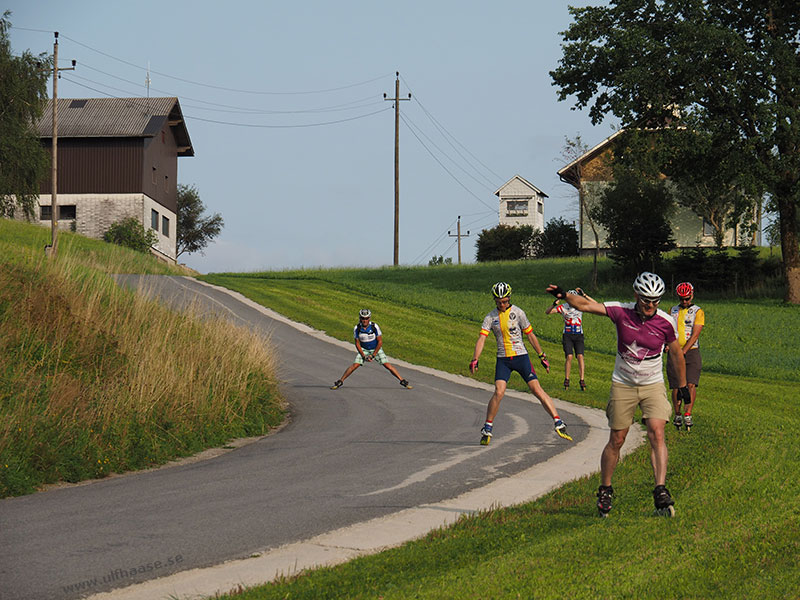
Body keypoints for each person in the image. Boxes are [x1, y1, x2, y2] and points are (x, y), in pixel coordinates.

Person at [546, 272, 690, 517]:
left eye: (655, 301)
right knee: (618, 439)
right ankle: (605, 488)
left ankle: (660, 489)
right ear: (636, 295)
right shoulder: (620, 311)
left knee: (657, 430)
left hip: (652, 383)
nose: (650, 306)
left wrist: (682, 385)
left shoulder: (666, 322)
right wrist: (564, 296)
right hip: (623, 383)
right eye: (646, 300)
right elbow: (587, 305)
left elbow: (676, 353)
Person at [470, 282, 572, 445]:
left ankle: (558, 422)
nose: (501, 304)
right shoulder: (490, 317)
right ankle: (487, 427)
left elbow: (531, 336)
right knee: (499, 391)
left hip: (521, 357)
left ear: (509, 298)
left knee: (537, 390)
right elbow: (482, 338)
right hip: (503, 359)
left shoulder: (518, 313)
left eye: (504, 301)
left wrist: (541, 355)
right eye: (498, 302)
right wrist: (475, 358)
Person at [330, 309, 412, 390]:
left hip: (376, 348)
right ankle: (340, 381)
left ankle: (402, 381)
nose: (364, 320)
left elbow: (380, 342)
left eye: (366, 318)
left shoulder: (374, 326)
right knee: (355, 365)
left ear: (369, 318)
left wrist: (374, 354)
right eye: (362, 318)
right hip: (364, 349)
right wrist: (363, 355)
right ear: (360, 318)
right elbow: (357, 343)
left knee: (387, 365)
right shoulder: (357, 328)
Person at [667, 282, 705, 431]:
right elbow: (668, 329)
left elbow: (695, 334)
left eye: (687, 299)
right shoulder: (673, 310)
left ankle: (688, 413)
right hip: (674, 351)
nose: (684, 302)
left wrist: (684, 351)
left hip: (692, 351)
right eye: (682, 299)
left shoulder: (698, 311)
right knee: (677, 385)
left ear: (692, 296)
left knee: (690, 384)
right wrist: (668, 345)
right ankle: (677, 414)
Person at [545, 287, 594, 391]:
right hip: (567, 335)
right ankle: (567, 380)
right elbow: (548, 312)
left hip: (578, 335)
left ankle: (582, 380)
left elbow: (594, 304)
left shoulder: (580, 306)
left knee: (580, 356)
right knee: (570, 357)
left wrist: (584, 295)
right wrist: (554, 304)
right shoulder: (563, 307)